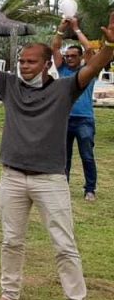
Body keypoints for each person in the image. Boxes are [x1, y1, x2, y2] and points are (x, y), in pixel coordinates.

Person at [0, 11, 114, 300]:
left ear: (46, 64)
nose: (25, 66)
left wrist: (110, 47)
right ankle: (9, 296)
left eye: (31, 62)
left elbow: (93, 67)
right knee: (11, 242)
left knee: (65, 246)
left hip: (50, 179)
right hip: (12, 177)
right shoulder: (9, 85)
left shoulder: (64, 89)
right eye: (22, 62)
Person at [52, 17, 98, 202]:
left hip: (84, 120)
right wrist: (61, 29)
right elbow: (55, 47)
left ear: (80, 58)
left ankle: (90, 189)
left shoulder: (88, 71)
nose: (69, 58)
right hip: (64, 120)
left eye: (73, 56)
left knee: (87, 156)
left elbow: (90, 50)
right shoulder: (62, 70)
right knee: (64, 157)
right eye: (67, 56)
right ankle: (64, 188)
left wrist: (76, 29)